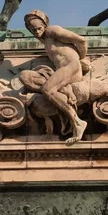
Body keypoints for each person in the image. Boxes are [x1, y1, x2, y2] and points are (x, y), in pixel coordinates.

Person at [21, 10, 90, 144]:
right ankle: (66, 96)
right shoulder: (45, 41)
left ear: (45, 24)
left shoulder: (53, 31)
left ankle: (77, 122)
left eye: (39, 28)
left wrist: (81, 59)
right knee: (27, 77)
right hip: (63, 70)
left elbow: (81, 41)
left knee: (47, 89)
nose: (36, 31)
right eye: (33, 29)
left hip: (71, 67)